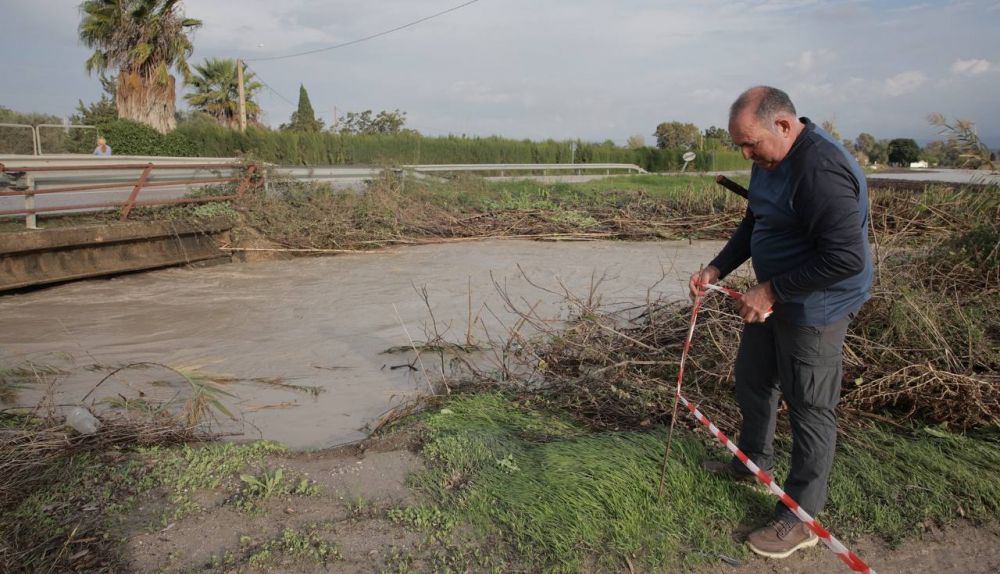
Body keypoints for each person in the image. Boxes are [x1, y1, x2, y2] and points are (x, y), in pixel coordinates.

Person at [689, 86, 872, 559]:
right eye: (740, 147)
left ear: (785, 126)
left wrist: (770, 290)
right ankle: (752, 463)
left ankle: (801, 517)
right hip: (773, 297)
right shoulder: (769, 157)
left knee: (810, 406)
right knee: (753, 379)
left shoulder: (820, 169)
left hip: (817, 306)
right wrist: (717, 268)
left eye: (751, 144)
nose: (747, 154)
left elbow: (847, 258)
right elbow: (756, 221)